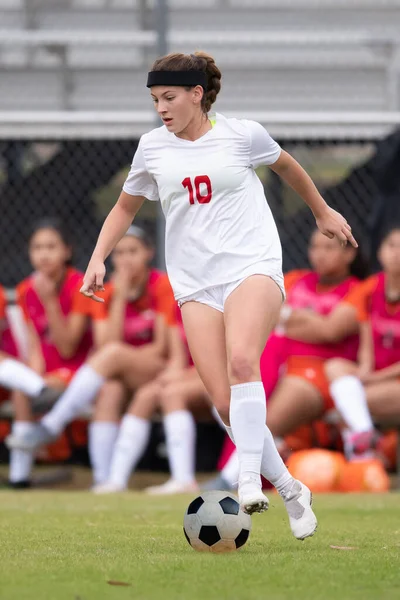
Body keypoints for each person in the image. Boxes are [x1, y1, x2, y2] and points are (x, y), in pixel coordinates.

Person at [10, 52, 356, 539]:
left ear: (198, 94)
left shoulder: (243, 135)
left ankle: (246, 480)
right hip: (195, 282)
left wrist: (322, 211)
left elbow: (288, 167)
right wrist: (96, 256)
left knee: (241, 363)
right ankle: (292, 488)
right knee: (222, 400)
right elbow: (124, 207)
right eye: (154, 99)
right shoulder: (152, 148)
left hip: (251, 267)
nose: (161, 108)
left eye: (169, 97)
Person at [7, 226, 176, 488]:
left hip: (149, 369)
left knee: (114, 356)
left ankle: (53, 424)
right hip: (111, 372)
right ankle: (105, 482)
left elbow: (160, 348)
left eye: (133, 251)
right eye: (119, 253)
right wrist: (118, 298)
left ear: (149, 253)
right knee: (109, 389)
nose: (126, 259)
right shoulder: (107, 291)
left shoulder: (160, 285)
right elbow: (106, 344)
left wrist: (51, 301)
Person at [203, 228, 368, 490]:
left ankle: (228, 480)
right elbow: (265, 313)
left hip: (319, 373)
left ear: (349, 253)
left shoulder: (358, 289)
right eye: (314, 247)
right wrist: (306, 320)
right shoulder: (295, 279)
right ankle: (266, 461)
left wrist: (288, 316)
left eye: (328, 248)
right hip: (278, 364)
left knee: (265, 418)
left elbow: (330, 330)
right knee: (223, 398)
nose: (319, 254)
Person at [5, 218, 96, 487]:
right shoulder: (25, 289)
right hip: (47, 374)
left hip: (78, 371)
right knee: (21, 390)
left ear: (67, 250)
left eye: (51, 246)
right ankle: (19, 478)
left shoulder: (82, 284)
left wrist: (49, 301)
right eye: (37, 247)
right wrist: (35, 376)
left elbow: (68, 346)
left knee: (30, 388)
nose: (43, 254)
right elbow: (34, 345)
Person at [93, 305, 205, 495]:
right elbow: (178, 359)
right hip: (188, 376)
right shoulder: (175, 304)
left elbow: (214, 361)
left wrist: (176, 379)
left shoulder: (211, 304)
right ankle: (116, 481)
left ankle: (184, 479)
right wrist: (168, 377)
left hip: (214, 377)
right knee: (146, 395)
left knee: (171, 394)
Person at [324, 225, 400, 459]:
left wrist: (373, 378)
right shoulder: (371, 288)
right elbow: (365, 338)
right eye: (392, 245)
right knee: (334, 367)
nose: (397, 252)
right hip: (376, 376)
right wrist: (366, 370)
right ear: (380, 253)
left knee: (348, 400)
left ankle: (363, 438)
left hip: (392, 379)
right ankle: (366, 436)